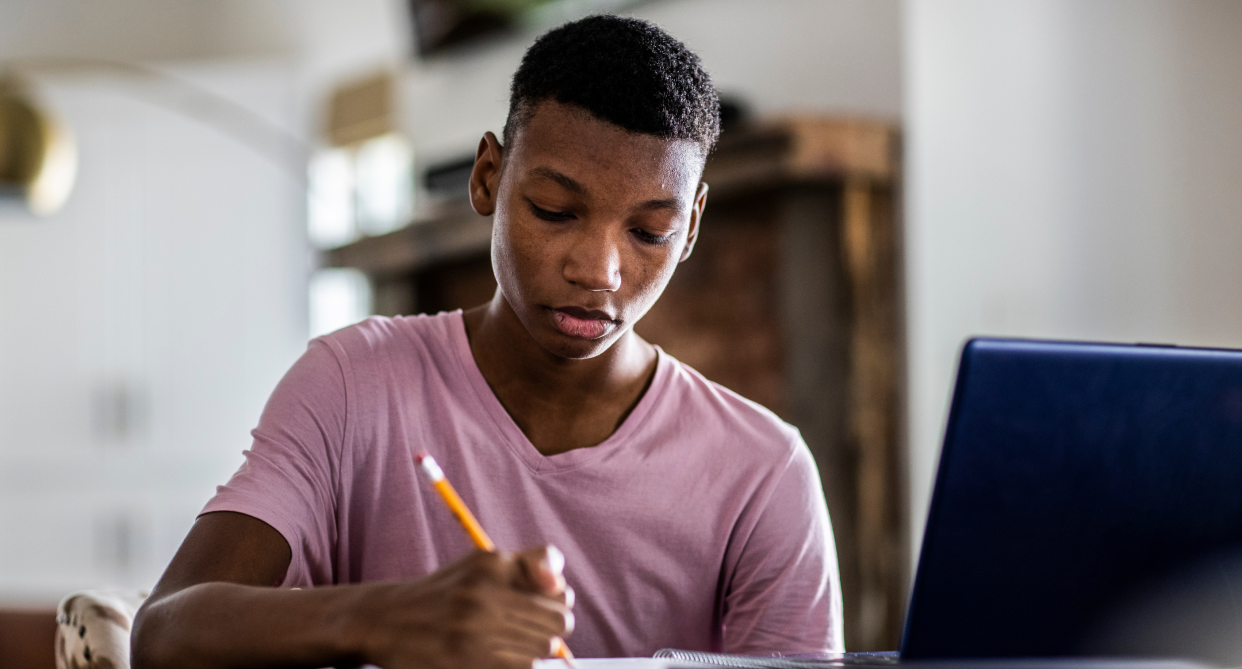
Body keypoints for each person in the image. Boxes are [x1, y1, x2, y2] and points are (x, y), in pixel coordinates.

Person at [131, 14, 843, 669]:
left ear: (689, 230)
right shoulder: (351, 383)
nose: (597, 269)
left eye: (649, 231)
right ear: (488, 178)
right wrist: (385, 615)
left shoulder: (764, 473)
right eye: (554, 210)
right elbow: (162, 631)